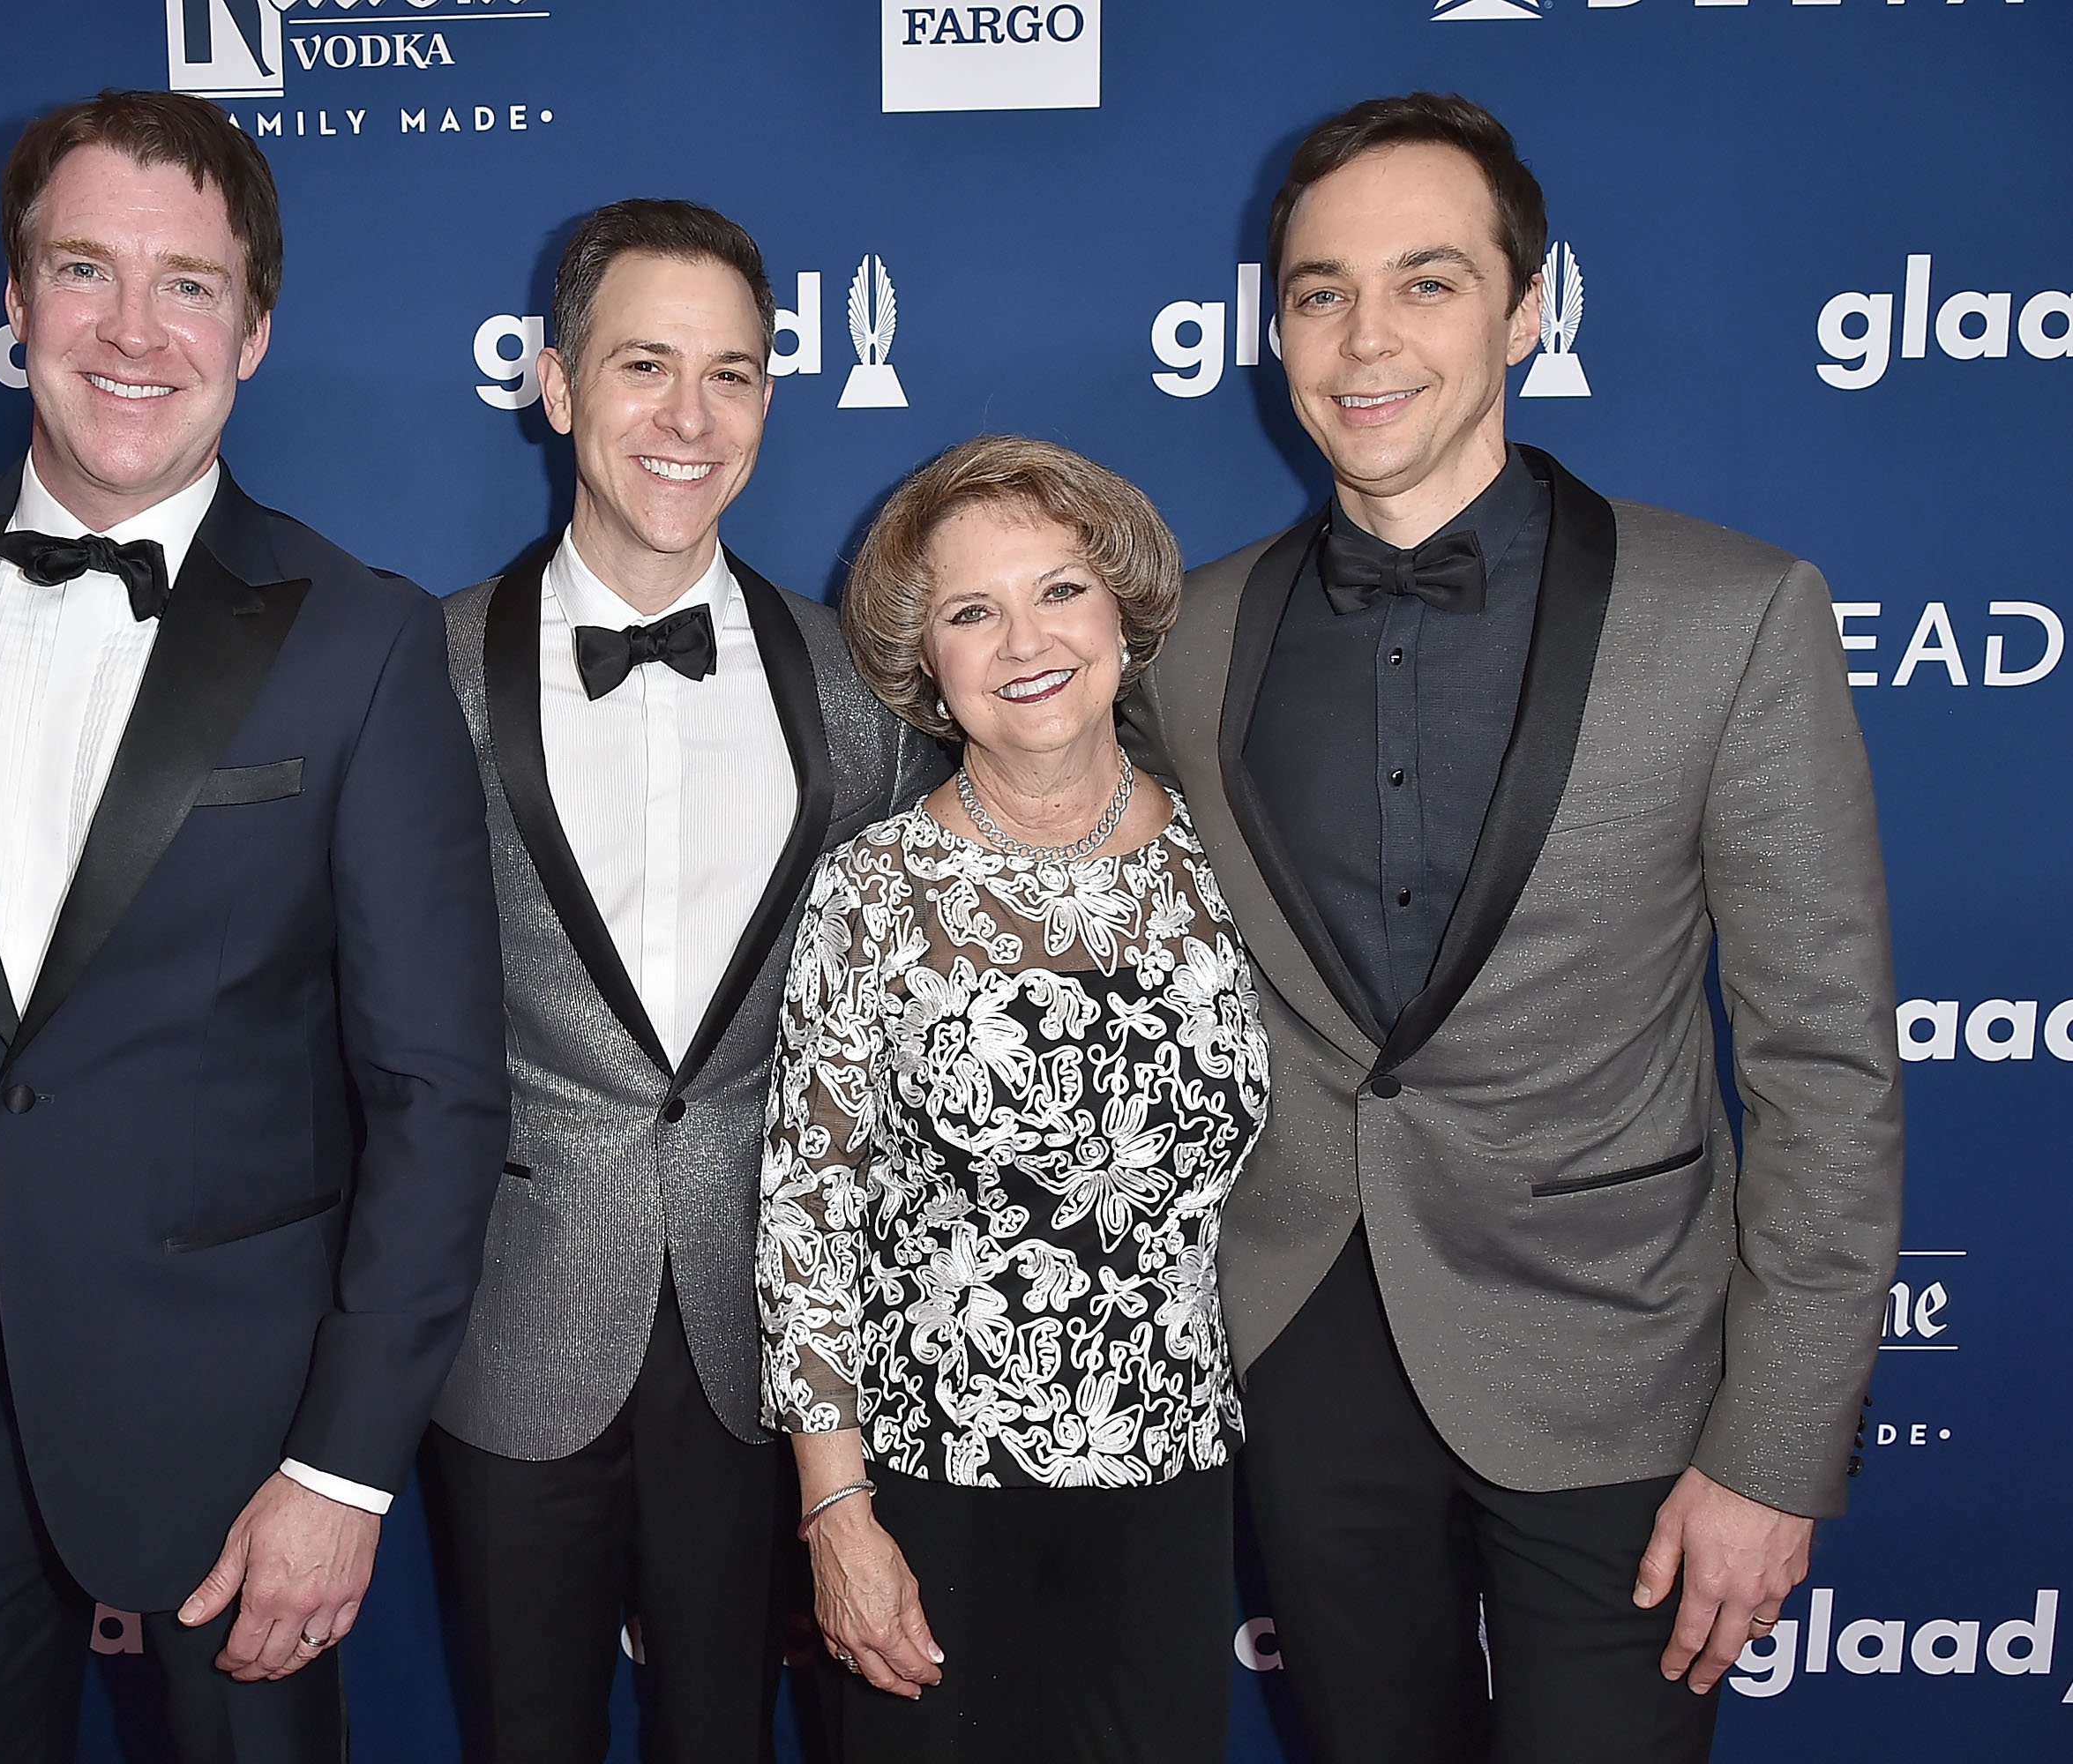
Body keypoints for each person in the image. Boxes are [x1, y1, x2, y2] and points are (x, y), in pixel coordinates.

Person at [0, 91, 509, 1764]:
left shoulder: (359, 640)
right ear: (13, 304)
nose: (134, 331)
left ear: (257, 329)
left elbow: (440, 1096)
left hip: (242, 1436)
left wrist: (343, 1466)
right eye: (85, 270)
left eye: (190, 284)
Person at [1121, 93, 1903, 1764]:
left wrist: (1774, 1451)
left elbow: (1827, 1069)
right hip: (1303, 1348)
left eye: (1427, 280)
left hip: (1618, 1350)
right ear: (1274, 326)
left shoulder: (1734, 617)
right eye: (1321, 290)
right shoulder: (1188, 639)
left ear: (1528, 307)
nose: (1364, 337)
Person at [425, 198, 945, 1763]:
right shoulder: (425, 670)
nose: (689, 418)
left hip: (766, 1337)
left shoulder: (860, 685)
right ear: (556, 381)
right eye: (644, 365)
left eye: (733, 373)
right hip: (508, 1319)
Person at [759, 434, 1270, 1762]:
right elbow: (808, 1219)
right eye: (970, 612)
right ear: (923, 661)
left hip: (1173, 1476)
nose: (1023, 641)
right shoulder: (871, 890)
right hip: (930, 1492)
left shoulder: (1237, 860)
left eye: (1059, 591)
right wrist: (838, 1513)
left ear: (1121, 612)